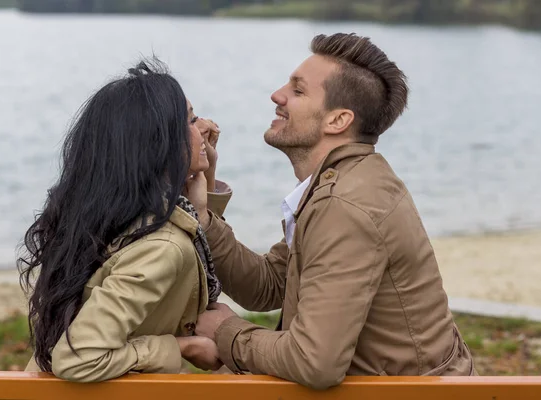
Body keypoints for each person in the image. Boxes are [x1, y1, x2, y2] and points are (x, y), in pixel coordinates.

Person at [188, 33, 476, 390]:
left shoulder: (344, 206)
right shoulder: (343, 182)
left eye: (297, 90)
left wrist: (226, 331)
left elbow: (314, 362)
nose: (277, 95)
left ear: (337, 120)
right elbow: (269, 286)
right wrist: (203, 213)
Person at [18, 59, 230, 382]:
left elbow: (194, 258)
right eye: (190, 120)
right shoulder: (163, 245)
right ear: (158, 143)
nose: (203, 129)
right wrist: (180, 347)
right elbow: (78, 358)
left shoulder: (115, 215)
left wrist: (204, 187)